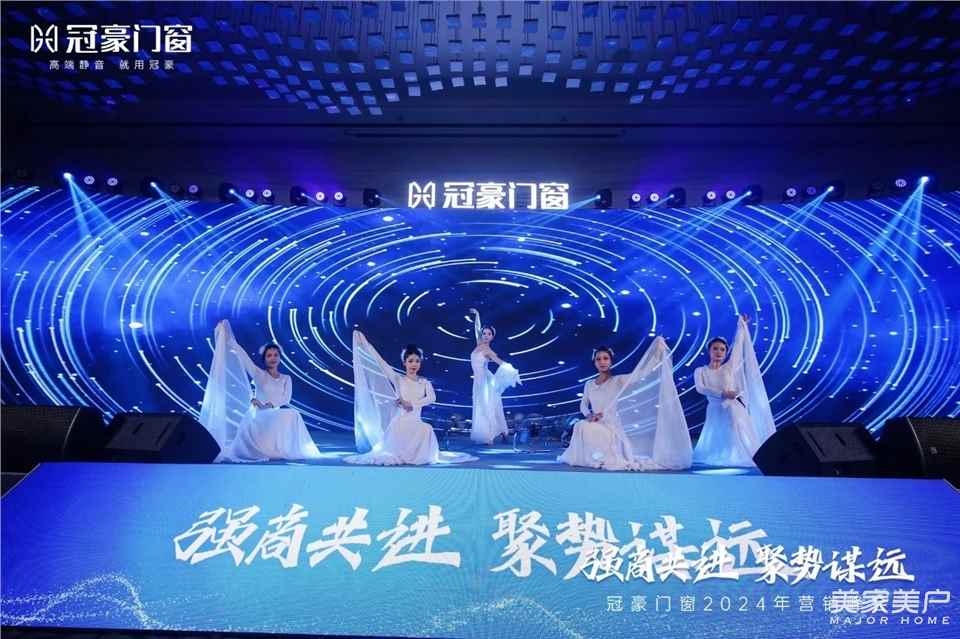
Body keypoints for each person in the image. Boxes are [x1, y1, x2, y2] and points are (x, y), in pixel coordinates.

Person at [558, 338, 692, 471]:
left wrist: (656, 354)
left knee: (585, 427)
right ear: (594, 362)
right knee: (581, 425)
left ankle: (601, 458)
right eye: (598, 359)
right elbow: (583, 404)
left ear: (611, 361)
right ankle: (592, 458)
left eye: (605, 358)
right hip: (594, 422)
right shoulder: (589, 384)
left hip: (610, 426)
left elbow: (641, 374)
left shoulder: (618, 380)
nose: (602, 362)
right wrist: (589, 415)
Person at [199, 320, 321, 462]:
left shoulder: (286, 378)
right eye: (269, 355)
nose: (273, 358)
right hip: (259, 414)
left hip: (274, 411)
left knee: (293, 414)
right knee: (285, 415)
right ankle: (264, 449)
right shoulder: (258, 374)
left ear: (280, 358)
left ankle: (284, 449)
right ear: (264, 359)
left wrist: (269, 405)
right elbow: (243, 357)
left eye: (275, 355)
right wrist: (227, 336)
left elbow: (286, 398)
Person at [347, 331, 475, 465]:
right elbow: (381, 362)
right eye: (410, 361)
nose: (414, 364)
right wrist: (366, 344)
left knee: (427, 429)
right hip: (400, 423)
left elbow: (432, 398)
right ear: (405, 363)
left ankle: (418, 456)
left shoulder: (424, 382)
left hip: (416, 422)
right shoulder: (398, 379)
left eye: (417, 361)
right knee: (396, 439)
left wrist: (411, 404)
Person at [692, 313, 776, 467]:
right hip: (714, 408)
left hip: (732, 407)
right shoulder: (700, 371)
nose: (719, 352)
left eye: (722, 349)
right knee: (717, 434)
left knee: (736, 430)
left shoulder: (729, 367)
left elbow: (737, 346)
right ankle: (721, 454)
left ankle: (738, 455)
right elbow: (700, 388)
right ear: (709, 351)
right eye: (715, 349)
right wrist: (722, 393)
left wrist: (741, 327)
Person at [467, 308, 521, 445]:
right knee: (484, 407)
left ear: (492, 337)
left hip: (485, 382)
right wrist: (477, 315)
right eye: (484, 333)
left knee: (488, 407)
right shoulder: (479, 344)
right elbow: (477, 328)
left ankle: (489, 436)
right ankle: (503, 432)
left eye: (489, 334)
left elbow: (499, 362)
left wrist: (511, 370)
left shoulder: (488, 350)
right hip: (478, 381)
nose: (486, 335)